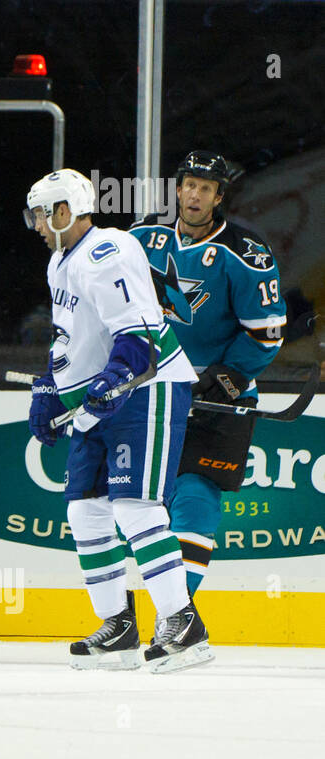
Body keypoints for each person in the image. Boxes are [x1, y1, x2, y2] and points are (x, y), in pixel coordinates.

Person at [22, 168, 209, 674]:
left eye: (40, 214)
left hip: (144, 388)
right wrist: (50, 387)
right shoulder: (61, 260)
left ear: (64, 211)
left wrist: (116, 379)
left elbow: (139, 333)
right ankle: (119, 627)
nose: (36, 224)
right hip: (100, 399)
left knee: (135, 507)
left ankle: (182, 624)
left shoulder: (110, 251)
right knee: (85, 512)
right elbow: (70, 338)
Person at [128, 151, 284, 595]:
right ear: (177, 189)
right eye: (189, 184)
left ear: (219, 196)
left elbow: (267, 334)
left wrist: (228, 377)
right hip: (153, 391)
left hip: (219, 398)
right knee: (139, 504)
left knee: (196, 494)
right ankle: (131, 614)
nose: (195, 194)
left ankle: (178, 615)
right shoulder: (141, 237)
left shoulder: (247, 254)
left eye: (206, 187)